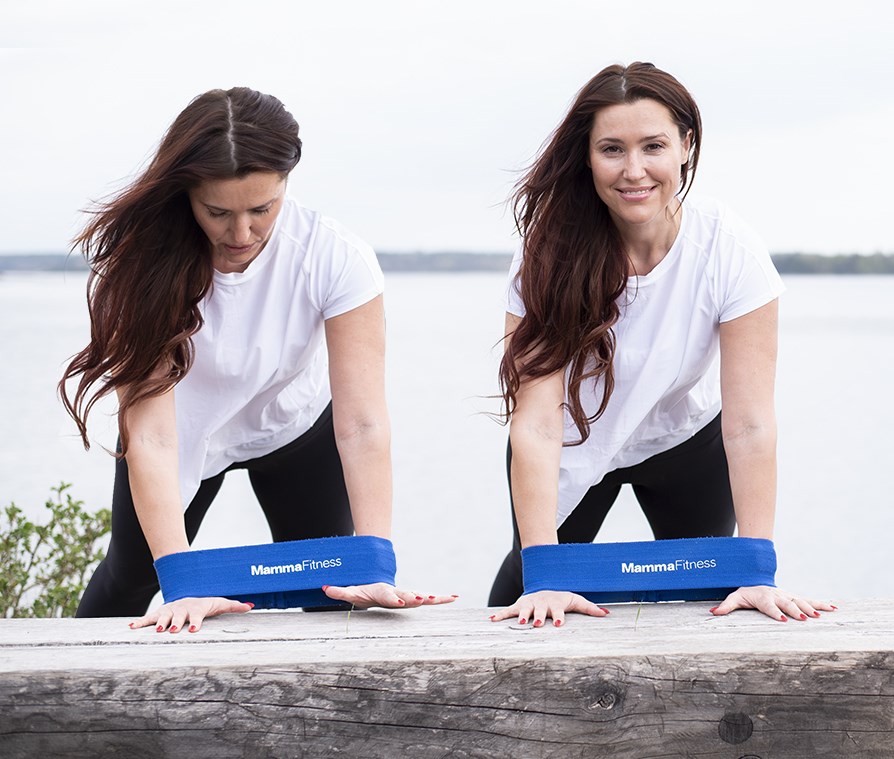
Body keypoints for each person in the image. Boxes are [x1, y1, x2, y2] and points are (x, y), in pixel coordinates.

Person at [60, 87, 454, 633]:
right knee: (134, 574)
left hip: (294, 428)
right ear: (186, 193)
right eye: (217, 211)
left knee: (340, 588)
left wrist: (375, 562)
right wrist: (180, 582)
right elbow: (150, 436)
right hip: (181, 433)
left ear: (286, 184)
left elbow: (363, 423)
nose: (241, 233)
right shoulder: (137, 267)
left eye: (262, 209)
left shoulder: (336, 256)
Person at [487, 62, 834, 628]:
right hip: (572, 443)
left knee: (722, 599)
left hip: (686, 440)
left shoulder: (730, 249)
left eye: (653, 146)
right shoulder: (546, 255)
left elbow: (748, 424)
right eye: (611, 149)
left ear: (685, 147)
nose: (634, 170)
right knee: (528, 595)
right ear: (588, 156)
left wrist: (758, 570)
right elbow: (537, 423)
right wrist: (545, 576)